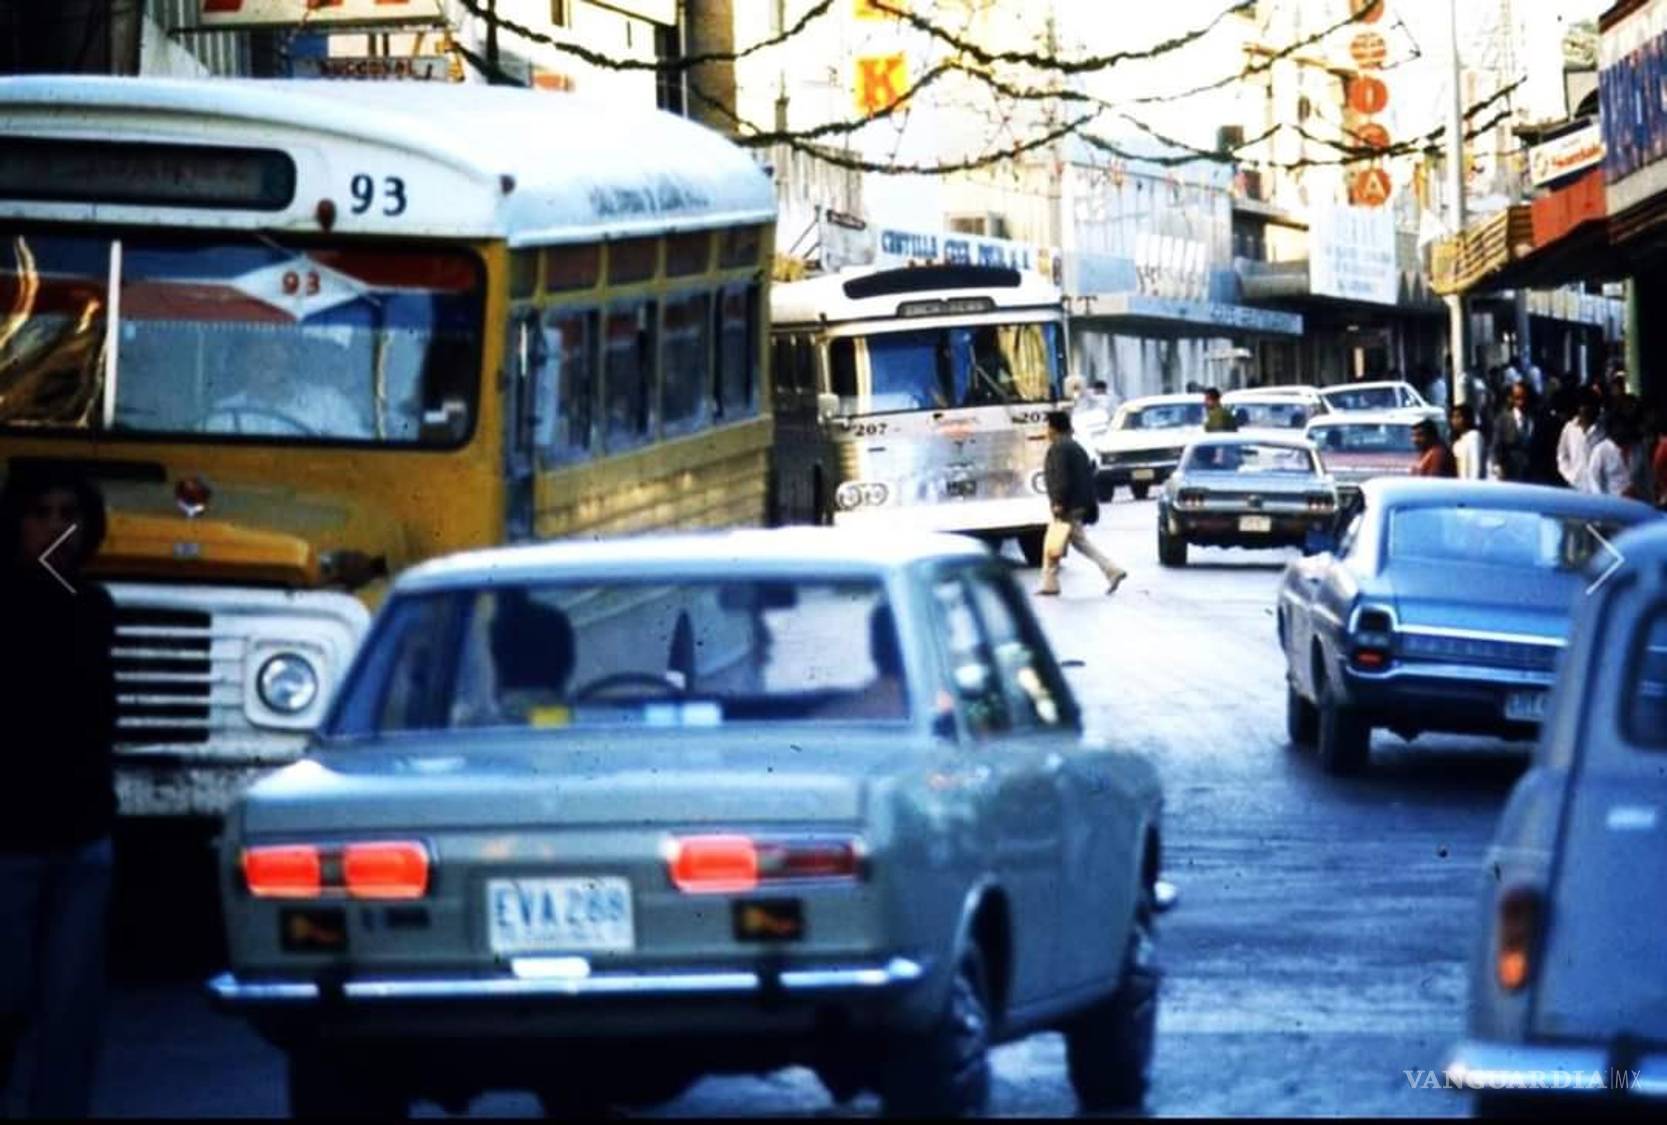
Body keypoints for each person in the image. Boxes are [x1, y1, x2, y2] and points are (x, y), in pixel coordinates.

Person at [0, 466, 117, 1118]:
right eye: (39, 512)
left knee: (71, 1010)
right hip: (10, 836)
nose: (54, 528)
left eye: (67, 514)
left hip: (79, 835)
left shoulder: (91, 610)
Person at [202, 333, 373, 438]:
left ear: (292, 356)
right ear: (243, 362)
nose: (266, 356)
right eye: (256, 348)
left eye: (276, 347)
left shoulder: (329, 405)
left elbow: (358, 457)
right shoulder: (222, 416)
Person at [1037, 411, 1127, 597]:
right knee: (1063, 541)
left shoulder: (1059, 448)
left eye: (1047, 426)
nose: (1046, 431)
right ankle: (1050, 581)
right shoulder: (1074, 446)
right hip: (1077, 502)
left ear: (1053, 428)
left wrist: (1058, 502)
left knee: (1061, 541)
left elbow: (1061, 478)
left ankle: (1112, 570)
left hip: (1068, 504)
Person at [1583, 410, 1649, 500]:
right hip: (1613, 503)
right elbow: (1593, 479)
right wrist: (1602, 501)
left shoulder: (1638, 448)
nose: (1623, 443)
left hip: (1638, 502)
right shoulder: (1601, 450)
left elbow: (1646, 476)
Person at [1490, 381, 1541, 482]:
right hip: (1511, 473)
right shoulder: (1503, 420)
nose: (1521, 402)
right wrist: (1497, 466)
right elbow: (1496, 446)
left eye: (1524, 398)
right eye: (1517, 398)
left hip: (1535, 474)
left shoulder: (1538, 418)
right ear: (1512, 399)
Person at [1556, 388, 1605, 490]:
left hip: (1600, 486)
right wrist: (1570, 476)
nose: (1586, 409)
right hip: (1576, 486)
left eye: (1589, 405)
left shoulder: (1603, 430)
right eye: (1583, 405)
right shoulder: (1570, 428)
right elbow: (1562, 456)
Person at [1450, 404, 1485, 480]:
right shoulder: (1457, 442)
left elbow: (1475, 464)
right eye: (1453, 417)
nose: (1455, 421)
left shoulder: (1474, 436)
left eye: (1458, 417)